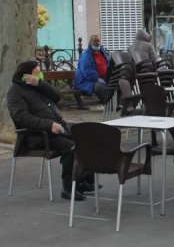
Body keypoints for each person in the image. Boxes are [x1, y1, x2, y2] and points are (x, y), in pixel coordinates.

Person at [8, 61, 95, 201]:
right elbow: (22, 118)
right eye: (37, 72)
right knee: (71, 148)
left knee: (85, 137)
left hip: (56, 128)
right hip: (36, 135)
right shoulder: (15, 93)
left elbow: (57, 96)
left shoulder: (35, 86)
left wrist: (39, 83)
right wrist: (49, 125)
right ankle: (68, 189)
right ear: (26, 76)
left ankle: (84, 181)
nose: (40, 74)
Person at [74, 35, 113, 104]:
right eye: (94, 41)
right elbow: (87, 71)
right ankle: (109, 104)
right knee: (100, 87)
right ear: (90, 43)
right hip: (86, 81)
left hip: (103, 79)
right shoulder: (86, 56)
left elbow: (108, 65)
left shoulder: (102, 53)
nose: (97, 43)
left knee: (115, 84)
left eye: (98, 41)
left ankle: (118, 103)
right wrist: (97, 79)